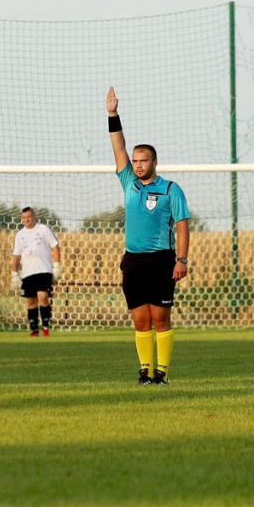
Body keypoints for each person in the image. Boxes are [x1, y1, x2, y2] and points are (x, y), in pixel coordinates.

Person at [106, 86, 190, 385]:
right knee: (141, 320)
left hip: (162, 261)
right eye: (136, 160)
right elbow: (118, 148)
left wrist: (181, 259)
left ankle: (162, 373)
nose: (138, 164)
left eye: (144, 160)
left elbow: (182, 225)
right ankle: (144, 371)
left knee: (160, 318)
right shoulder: (128, 181)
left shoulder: (170, 189)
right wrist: (113, 114)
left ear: (155, 162)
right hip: (133, 261)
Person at [11, 207, 61, 336]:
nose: (27, 219)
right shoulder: (20, 235)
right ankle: (34, 330)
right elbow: (16, 256)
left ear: (34, 217)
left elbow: (55, 247)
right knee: (31, 301)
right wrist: (14, 274)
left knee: (43, 296)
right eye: (24, 217)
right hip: (28, 273)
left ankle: (45, 327)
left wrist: (56, 266)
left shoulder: (43, 229)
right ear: (22, 219)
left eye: (29, 217)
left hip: (44, 270)